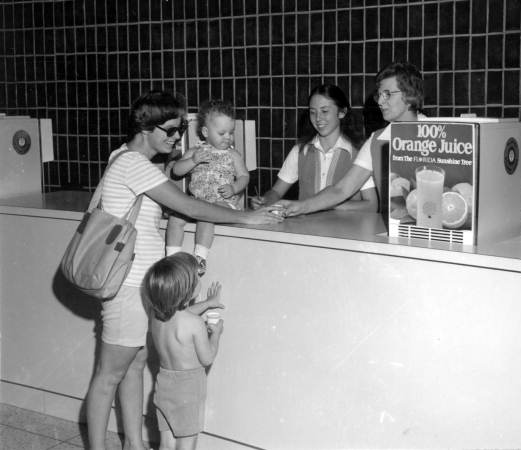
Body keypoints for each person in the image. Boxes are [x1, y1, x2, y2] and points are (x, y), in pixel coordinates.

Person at [84, 90, 282, 450]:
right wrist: (246, 216)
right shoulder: (133, 164)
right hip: (126, 284)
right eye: (172, 131)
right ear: (146, 129)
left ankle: (134, 443)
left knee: (135, 363)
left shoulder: (126, 158)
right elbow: (189, 205)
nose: (177, 138)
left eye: (180, 130)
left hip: (140, 283)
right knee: (109, 373)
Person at [279, 62, 424, 217]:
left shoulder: (445, 135)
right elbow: (341, 189)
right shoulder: (376, 141)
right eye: (379, 95)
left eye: (387, 94)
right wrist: (301, 206)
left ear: (409, 95)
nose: (380, 102)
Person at [249, 84, 378, 212]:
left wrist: (325, 204)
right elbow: (276, 191)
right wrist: (265, 201)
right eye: (312, 112)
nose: (317, 118)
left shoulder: (360, 153)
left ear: (342, 112)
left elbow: (371, 206)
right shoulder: (300, 150)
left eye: (325, 111)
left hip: (345, 231)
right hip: (305, 230)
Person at [143, 252, 223, 450]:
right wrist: (216, 334)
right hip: (188, 389)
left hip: (164, 385)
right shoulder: (195, 324)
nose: (198, 280)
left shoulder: (156, 316)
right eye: (196, 278)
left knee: (167, 443)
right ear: (189, 289)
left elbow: (180, 316)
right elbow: (207, 358)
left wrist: (206, 304)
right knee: (186, 444)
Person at [165, 100, 249, 275]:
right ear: (205, 132)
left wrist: (234, 188)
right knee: (175, 219)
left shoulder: (233, 155)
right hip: (197, 203)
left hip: (222, 204)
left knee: (207, 215)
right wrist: (193, 160)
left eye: (231, 133)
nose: (228, 137)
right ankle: (171, 258)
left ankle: (200, 258)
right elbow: (176, 171)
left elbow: (244, 176)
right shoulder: (195, 152)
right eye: (222, 133)